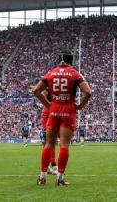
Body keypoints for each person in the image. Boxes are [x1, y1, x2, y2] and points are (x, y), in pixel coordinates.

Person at [34, 49, 92, 186]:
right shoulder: (74, 73)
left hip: (53, 110)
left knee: (48, 144)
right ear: (71, 60)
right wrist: (80, 106)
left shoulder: (51, 73)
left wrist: (48, 104)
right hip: (68, 109)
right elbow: (88, 92)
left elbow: (36, 90)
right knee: (64, 145)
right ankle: (59, 178)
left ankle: (42, 177)